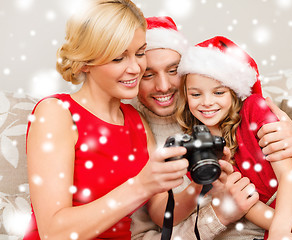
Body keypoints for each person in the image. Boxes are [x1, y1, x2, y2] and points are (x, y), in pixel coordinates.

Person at [130, 16, 292, 240]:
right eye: (148, 74)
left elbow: (288, 167)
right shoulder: (135, 131)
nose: (163, 86)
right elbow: (154, 225)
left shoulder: (227, 111)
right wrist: (218, 210)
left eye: (173, 70)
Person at [23, 1, 199, 239]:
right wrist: (140, 186)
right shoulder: (56, 113)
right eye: (118, 58)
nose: (136, 68)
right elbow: (54, 232)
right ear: (85, 62)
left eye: (139, 53)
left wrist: (200, 185)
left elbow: (160, 211)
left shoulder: (136, 121)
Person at [176, 35, 292, 240]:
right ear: (185, 95)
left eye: (218, 92)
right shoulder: (200, 150)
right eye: (196, 94)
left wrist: (280, 230)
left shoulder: (254, 109)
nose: (207, 102)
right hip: (284, 216)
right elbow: (247, 204)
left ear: (234, 93)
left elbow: (288, 177)